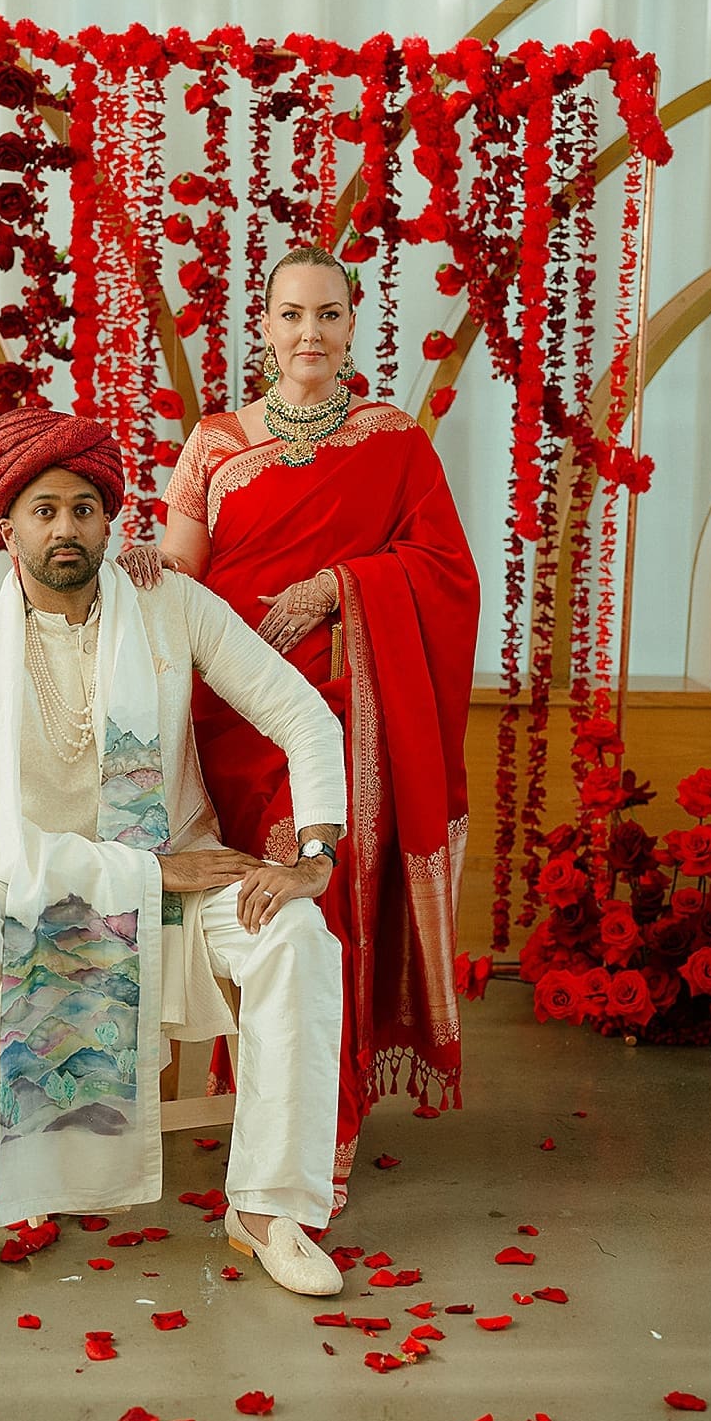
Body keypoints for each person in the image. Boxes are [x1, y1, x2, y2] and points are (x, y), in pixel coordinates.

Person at [0, 405, 351, 1316]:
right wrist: (142, 874)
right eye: (44, 509)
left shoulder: (171, 604)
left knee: (298, 934)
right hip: (40, 887)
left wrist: (315, 851)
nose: (65, 528)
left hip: (184, 875)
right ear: (5, 525)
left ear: (110, 519)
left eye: (85, 508)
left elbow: (304, 713)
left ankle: (264, 1206)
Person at [117, 245, 480, 1215]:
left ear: (351, 323)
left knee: (307, 912)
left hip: (335, 715)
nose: (308, 334)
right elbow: (179, 573)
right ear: (265, 326)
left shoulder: (393, 439)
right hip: (226, 715)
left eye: (326, 315)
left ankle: (316, 1132)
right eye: (290, 316)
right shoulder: (213, 444)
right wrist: (131, 567)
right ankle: (260, 1105)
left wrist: (338, 585)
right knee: (244, 917)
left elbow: (445, 572)